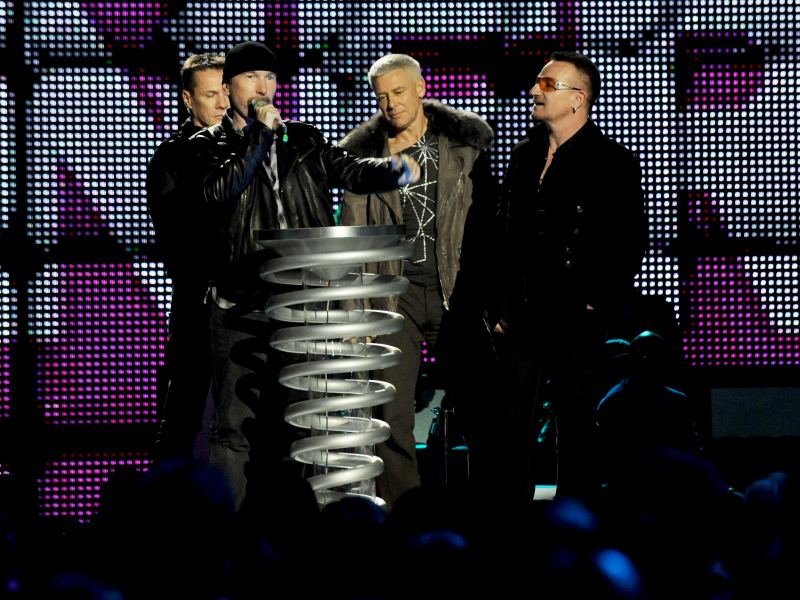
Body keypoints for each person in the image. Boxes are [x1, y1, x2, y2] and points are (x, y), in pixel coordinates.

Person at [188, 41, 420, 511]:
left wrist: (390, 171)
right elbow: (216, 194)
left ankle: (314, 530)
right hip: (241, 304)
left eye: (270, 78)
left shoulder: (303, 138)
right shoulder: (207, 146)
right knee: (235, 428)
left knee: (311, 423)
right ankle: (226, 538)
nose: (262, 87)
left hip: (304, 302)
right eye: (251, 77)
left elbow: (348, 170)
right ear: (228, 88)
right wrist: (258, 136)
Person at [460, 50, 647, 502]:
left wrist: (595, 303)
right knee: (510, 423)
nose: (533, 91)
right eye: (536, 83)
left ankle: (574, 518)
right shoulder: (524, 156)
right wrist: (498, 305)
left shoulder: (612, 161)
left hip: (574, 314)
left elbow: (627, 241)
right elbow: (503, 234)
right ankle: (510, 518)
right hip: (519, 314)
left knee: (576, 421)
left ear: (578, 98)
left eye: (547, 84)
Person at [338, 53, 496, 508]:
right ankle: (405, 515)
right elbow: (352, 237)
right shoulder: (363, 160)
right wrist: (356, 311)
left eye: (399, 91)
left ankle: (484, 513)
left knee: (479, 409)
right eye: (382, 96)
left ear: (421, 88)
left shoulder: (463, 147)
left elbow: (489, 226)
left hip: (455, 293)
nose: (391, 103)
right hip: (393, 299)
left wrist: (490, 301)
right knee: (391, 415)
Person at [146, 52, 228, 463]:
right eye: (210, 95)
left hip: (247, 301)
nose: (222, 103)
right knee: (183, 411)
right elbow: (175, 236)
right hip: (197, 301)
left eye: (225, 92)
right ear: (187, 98)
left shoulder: (245, 147)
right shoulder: (173, 156)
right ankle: (167, 495)